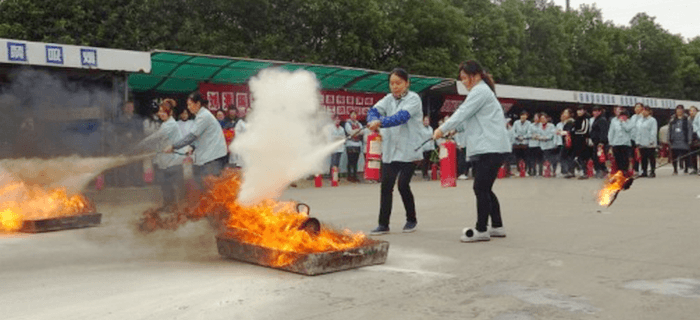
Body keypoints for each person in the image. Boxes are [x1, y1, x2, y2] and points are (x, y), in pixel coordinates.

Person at [433, 60, 511, 243]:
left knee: (480, 188)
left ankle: (481, 229)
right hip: (490, 147)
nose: (464, 83)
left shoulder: (480, 91)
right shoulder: (482, 92)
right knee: (485, 188)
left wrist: (442, 129)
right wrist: (455, 130)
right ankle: (497, 226)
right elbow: (472, 120)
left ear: (475, 76)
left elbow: (463, 112)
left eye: (465, 78)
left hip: (492, 147)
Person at [366, 68, 423, 235]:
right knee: (386, 187)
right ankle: (383, 224)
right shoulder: (388, 99)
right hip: (391, 150)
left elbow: (400, 118)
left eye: (398, 83)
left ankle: (411, 219)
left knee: (403, 185)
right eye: (392, 83)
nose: (395, 86)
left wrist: (379, 122)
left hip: (409, 150)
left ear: (406, 83)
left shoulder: (414, 99)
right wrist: (372, 120)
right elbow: (373, 111)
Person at [163, 92, 228, 186]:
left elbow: (191, 136)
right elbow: (199, 136)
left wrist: (173, 146)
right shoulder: (200, 116)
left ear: (197, 104)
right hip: (209, 155)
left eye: (190, 104)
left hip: (213, 156)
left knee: (211, 184)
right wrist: (192, 147)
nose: (188, 107)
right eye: (187, 105)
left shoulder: (204, 116)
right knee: (206, 183)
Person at [140, 99, 186, 208]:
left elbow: (156, 137)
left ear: (169, 113)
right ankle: (168, 205)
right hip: (167, 160)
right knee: (165, 184)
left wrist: (141, 143)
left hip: (173, 160)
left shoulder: (170, 125)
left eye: (163, 112)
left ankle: (173, 207)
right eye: (160, 111)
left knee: (169, 184)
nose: (161, 114)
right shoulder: (165, 124)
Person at [607, 107, 635, 177]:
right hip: (616, 143)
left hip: (625, 143)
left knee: (625, 158)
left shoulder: (629, 121)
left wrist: (623, 122)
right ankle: (619, 172)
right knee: (617, 158)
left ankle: (625, 171)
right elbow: (611, 131)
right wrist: (611, 142)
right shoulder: (614, 120)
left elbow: (628, 129)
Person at [668, 105, 693, 175]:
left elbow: (690, 130)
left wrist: (689, 139)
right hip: (674, 140)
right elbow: (669, 130)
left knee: (685, 156)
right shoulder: (672, 119)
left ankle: (686, 169)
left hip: (684, 140)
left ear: (683, 111)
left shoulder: (687, 119)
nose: (679, 111)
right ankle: (675, 170)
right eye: (678, 110)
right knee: (674, 156)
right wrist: (669, 139)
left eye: (680, 110)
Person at [637, 106, 658, 178]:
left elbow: (653, 131)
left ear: (649, 112)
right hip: (642, 142)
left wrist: (651, 140)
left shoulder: (652, 120)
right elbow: (638, 131)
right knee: (643, 158)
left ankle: (652, 171)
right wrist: (638, 141)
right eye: (643, 110)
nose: (644, 112)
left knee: (651, 157)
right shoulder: (640, 120)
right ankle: (644, 171)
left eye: (646, 110)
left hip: (650, 142)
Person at [589, 106, 609, 178]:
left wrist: (601, 142)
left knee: (599, 157)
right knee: (596, 157)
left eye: (596, 111)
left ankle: (602, 171)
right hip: (595, 142)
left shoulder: (602, 120)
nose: (594, 113)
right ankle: (600, 170)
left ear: (600, 112)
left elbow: (603, 131)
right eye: (593, 111)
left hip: (599, 143)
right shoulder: (596, 119)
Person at [344, 111, 364, 182]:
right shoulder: (347, 123)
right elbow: (350, 132)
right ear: (350, 116)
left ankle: (355, 176)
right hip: (350, 144)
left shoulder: (359, 123)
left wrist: (356, 132)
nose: (353, 116)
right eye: (352, 115)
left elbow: (362, 132)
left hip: (357, 144)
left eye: (355, 115)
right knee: (350, 161)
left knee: (356, 162)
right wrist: (357, 131)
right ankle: (349, 176)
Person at [572, 107, 592, 179]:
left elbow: (585, 131)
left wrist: (574, 132)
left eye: (581, 110)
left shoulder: (586, 119)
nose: (579, 112)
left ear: (584, 111)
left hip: (582, 141)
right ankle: (580, 171)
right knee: (576, 158)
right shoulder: (576, 120)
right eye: (578, 110)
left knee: (581, 157)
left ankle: (584, 172)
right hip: (576, 141)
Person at [557, 108, 576, 178]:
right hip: (568, 142)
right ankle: (570, 171)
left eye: (566, 113)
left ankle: (567, 171)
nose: (564, 114)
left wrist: (560, 132)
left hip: (569, 142)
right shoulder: (568, 122)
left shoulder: (570, 122)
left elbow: (568, 132)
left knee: (563, 157)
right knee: (568, 157)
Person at [537, 112, 557, 176]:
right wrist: (541, 138)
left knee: (551, 159)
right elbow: (537, 135)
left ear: (547, 119)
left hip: (550, 145)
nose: (543, 120)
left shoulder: (551, 125)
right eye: (541, 119)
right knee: (545, 159)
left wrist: (544, 138)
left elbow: (551, 135)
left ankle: (553, 171)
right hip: (542, 145)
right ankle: (546, 171)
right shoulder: (539, 126)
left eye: (544, 118)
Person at [512, 111, 530, 175]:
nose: (523, 117)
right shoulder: (516, 123)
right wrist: (517, 137)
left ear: (527, 117)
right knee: (517, 157)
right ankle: (518, 170)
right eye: (522, 115)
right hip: (517, 142)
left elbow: (529, 132)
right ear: (520, 116)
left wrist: (523, 137)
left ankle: (525, 171)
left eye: (525, 115)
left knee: (525, 157)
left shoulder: (529, 123)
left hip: (525, 142)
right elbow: (513, 131)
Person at [418, 116, 435, 180]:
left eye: (427, 120)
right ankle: (424, 174)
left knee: (427, 161)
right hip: (423, 147)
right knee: (424, 161)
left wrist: (432, 147)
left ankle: (426, 173)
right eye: (425, 120)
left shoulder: (430, 128)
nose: (426, 122)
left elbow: (432, 138)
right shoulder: (421, 129)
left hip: (429, 147)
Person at [687, 106, 699, 174]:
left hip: (698, 137)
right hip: (692, 138)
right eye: (690, 111)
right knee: (693, 154)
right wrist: (689, 139)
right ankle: (695, 168)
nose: (692, 112)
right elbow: (689, 130)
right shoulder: (689, 119)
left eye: (693, 110)